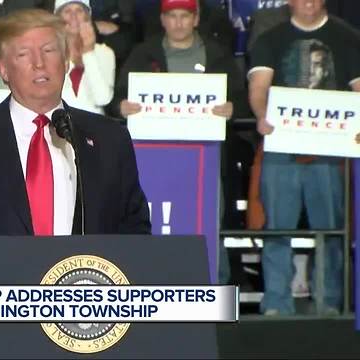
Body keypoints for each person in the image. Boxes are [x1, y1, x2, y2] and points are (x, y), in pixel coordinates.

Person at [0, 8, 151, 286]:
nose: (39, 63)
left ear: (66, 61)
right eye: (24, 54)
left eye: (49, 51)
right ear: (3, 69)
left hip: (85, 311)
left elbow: (134, 226)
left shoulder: (109, 139)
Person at [248, 0, 360, 316]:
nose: (308, 2)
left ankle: (328, 304)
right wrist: (260, 115)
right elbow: (259, 87)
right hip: (281, 145)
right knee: (276, 229)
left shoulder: (348, 37)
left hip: (330, 148)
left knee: (330, 231)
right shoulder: (270, 38)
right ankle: (276, 304)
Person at [112, 0, 241, 121]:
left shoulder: (218, 54)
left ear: (195, 19)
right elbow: (118, 95)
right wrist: (121, 106)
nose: (178, 24)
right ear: (163, 20)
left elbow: (239, 97)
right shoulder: (143, 54)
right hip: (154, 140)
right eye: (172, 16)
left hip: (207, 141)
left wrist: (233, 109)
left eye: (184, 16)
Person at [54, 0, 115, 115]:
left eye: (79, 10)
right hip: (57, 125)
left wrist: (88, 53)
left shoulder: (104, 52)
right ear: (57, 19)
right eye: (67, 11)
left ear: (87, 17)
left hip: (94, 126)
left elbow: (102, 98)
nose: (74, 16)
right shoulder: (48, 53)